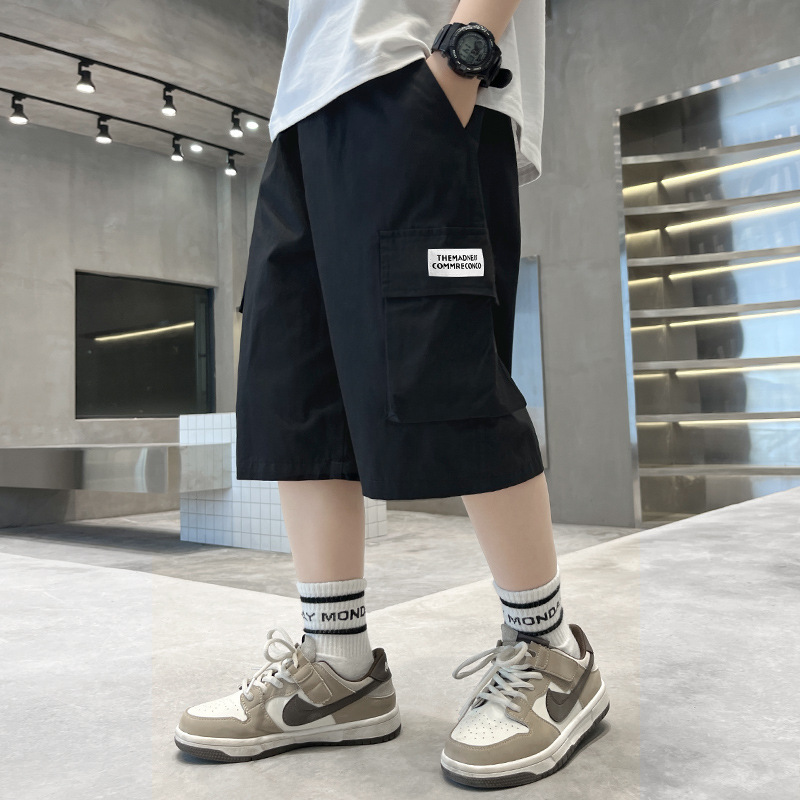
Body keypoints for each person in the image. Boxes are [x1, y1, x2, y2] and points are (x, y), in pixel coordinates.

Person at [174, 0, 610, 788]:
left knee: (446, 369)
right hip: (303, 109)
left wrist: (461, 55)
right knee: (295, 388)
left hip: (415, 76)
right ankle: (338, 667)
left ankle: (548, 649)